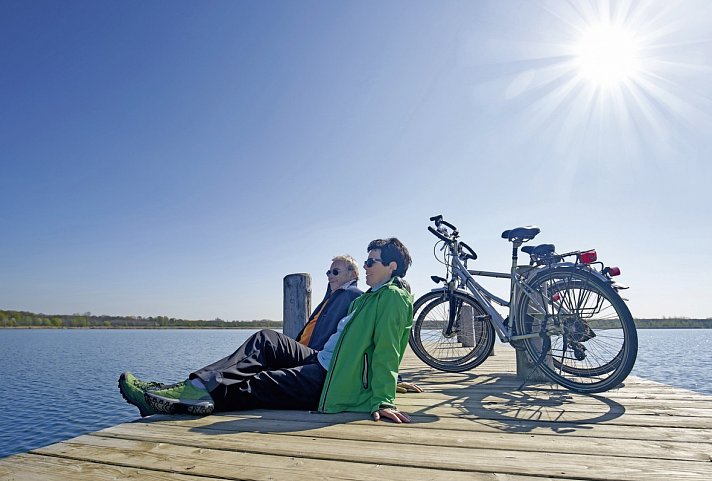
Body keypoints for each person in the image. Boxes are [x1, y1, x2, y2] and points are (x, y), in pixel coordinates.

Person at [119, 237, 414, 423]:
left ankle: (176, 400)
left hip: (329, 378)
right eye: (365, 261)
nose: (365, 266)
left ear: (391, 266)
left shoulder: (392, 298)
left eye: (371, 261)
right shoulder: (371, 298)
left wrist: (383, 398)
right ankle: (193, 386)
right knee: (266, 338)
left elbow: (388, 349)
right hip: (321, 359)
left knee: (259, 382)